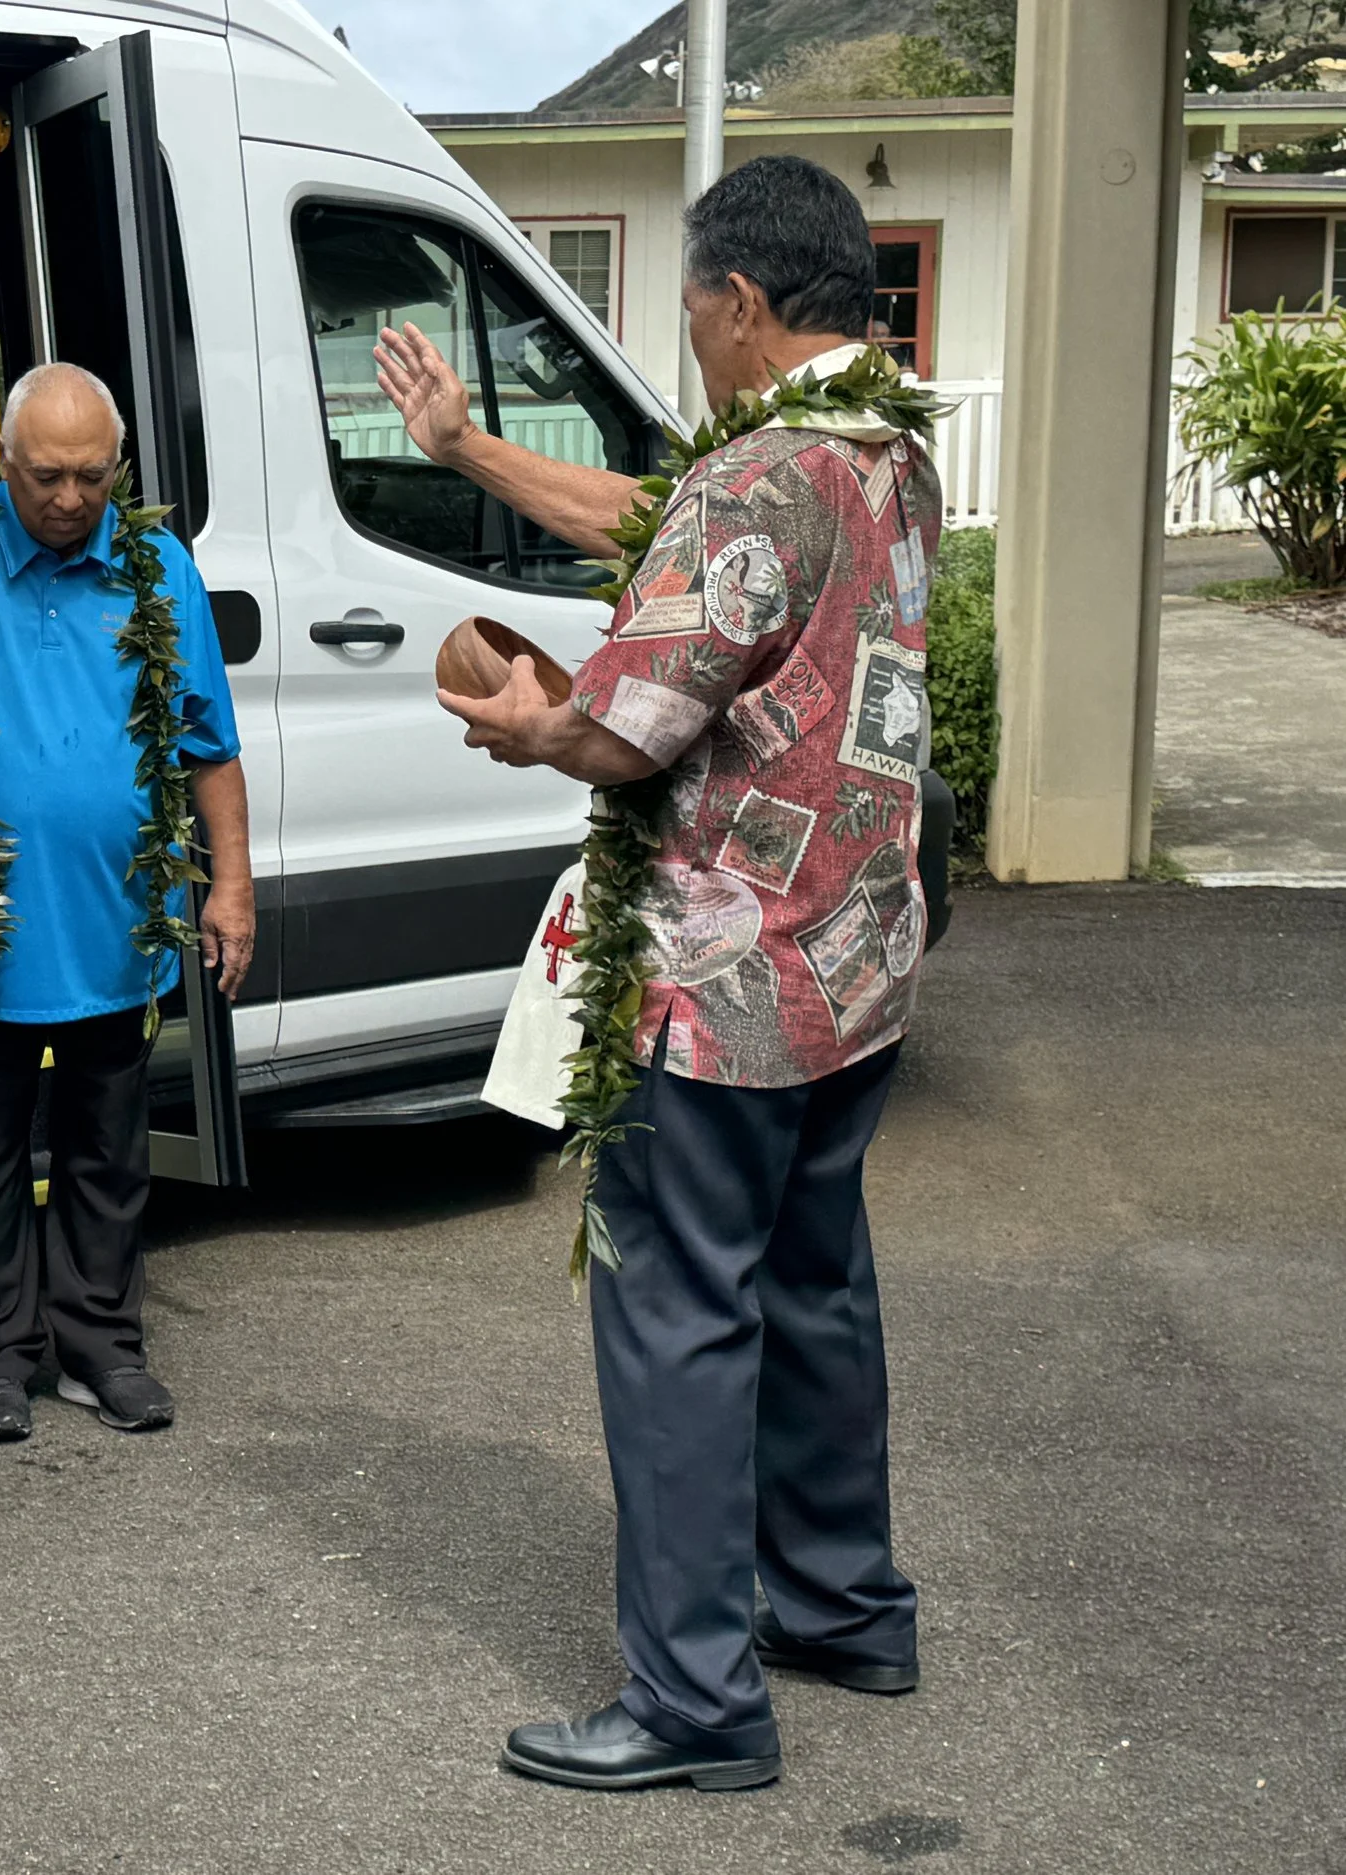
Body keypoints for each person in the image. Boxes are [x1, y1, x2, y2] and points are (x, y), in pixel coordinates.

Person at [375, 154, 935, 1790]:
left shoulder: (757, 477)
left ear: (740, 303)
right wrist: (471, 451)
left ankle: (694, 1704)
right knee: (815, 1286)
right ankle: (842, 1605)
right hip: (857, 968)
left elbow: (620, 724)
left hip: (724, 989)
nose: (688, 338)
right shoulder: (879, 449)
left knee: (679, 1320)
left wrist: (519, 715)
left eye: (691, 308)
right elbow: (682, 534)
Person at [0, 363, 255, 1442]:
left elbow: (209, 746)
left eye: (89, 476)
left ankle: (99, 1345)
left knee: (105, 1142)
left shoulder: (156, 563)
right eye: (43, 478)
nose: (68, 499)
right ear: (2, 460)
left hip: (118, 919)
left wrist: (232, 888)